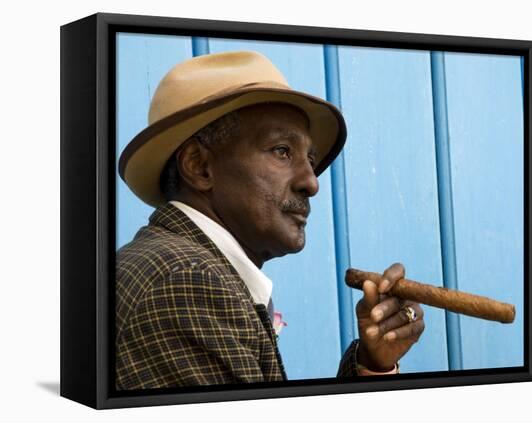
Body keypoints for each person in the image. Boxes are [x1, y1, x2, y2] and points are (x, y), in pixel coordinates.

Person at [116, 50, 425, 390]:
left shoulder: (181, 266)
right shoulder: (187, 281)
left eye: (309, 158)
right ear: (199, 166)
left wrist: (373, 365)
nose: (312, 182)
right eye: (282, 151)